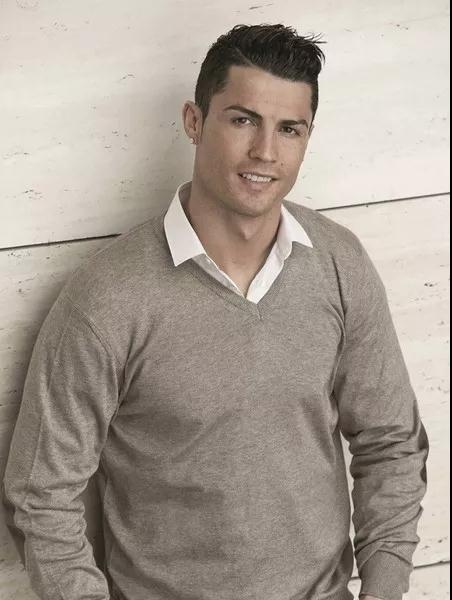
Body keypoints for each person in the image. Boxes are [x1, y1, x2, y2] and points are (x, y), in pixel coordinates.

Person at [2, 23, 429, 600]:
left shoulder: (338, 263)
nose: (265, 152)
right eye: (243, 120)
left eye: (289, 129)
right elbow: (40, 493)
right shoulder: (108, 297)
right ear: (195, 121)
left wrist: (384, 588)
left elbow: (391, 442)